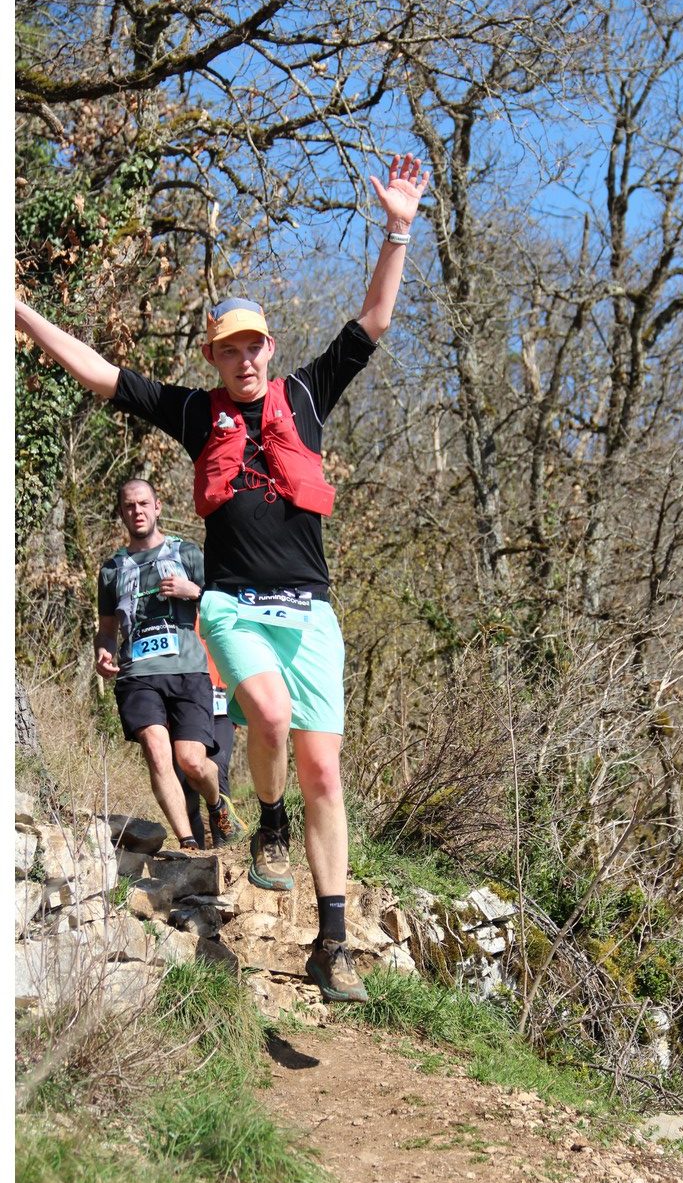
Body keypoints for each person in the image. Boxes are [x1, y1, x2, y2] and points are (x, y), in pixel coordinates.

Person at [16, 150, 430, 1002]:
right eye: (229, 349)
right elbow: (100, 373)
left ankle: (332, 942)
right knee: (268, 716)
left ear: (270, 349)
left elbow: (374, 319)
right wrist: (21, 314)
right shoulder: (195, 412)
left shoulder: (306, 397)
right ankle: (268, 820)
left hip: (312, 615)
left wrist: (396, 228)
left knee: (324, 773)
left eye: (254, 346)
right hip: (234, 607)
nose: (244, 360)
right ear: (214, 356)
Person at [95, 478, 243, 850]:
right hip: (137, 675)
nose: (137, 511)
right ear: (121, 512)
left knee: (191, 761)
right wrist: (104, 651)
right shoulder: (112, 569)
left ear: (157, 507)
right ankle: (188, 843)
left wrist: (193, 591)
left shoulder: (187, 554)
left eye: (143, 503)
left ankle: (217, 805)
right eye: (129, 506)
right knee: (157, 753)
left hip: (188, 670)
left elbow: (228, 603)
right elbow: (107, 630)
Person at [174, 637, 240, 849]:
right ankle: (194, 850)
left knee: (218, 770)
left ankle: (226, 845)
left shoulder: (225, 619)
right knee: (184, 777)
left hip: (222, 705)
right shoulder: (177, 620)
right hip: (185, 702)